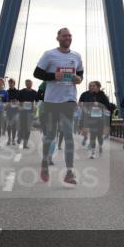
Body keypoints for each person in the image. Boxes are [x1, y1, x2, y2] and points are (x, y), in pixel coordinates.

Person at [34, 28, 84, 185]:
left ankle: (69, 172)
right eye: (65, 35)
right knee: (50, 135)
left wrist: (78, 79)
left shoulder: (76, 56)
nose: (68, 37)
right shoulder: (49, 54)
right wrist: (54, 76)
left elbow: (80, 75)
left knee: (68, 135)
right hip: (51, 101)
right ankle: (44, 162)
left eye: (70, 35)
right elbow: (37, 73)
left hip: (69, 100)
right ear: (58, 38)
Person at [79, 81, 114, 159]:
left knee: (99, 136)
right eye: (92, 86)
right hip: (92, 118)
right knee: (93, 135)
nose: (93, 87)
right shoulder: (91, 95)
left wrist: (99, 105)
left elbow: (108, 106)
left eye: (94, 86)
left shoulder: (102, 96)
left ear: (98, 87)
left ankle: (100, 145)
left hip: (100, 119)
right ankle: (93, 153)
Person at [16, 79, 38, 148]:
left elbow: (37, 102)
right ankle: (19, 137)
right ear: (25, 84)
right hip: (22, 112)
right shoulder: (21, 92)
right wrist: (19, 107)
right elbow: (17, 102)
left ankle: (25, 143)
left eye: (30, 83)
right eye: (27, 83)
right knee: (22, 127)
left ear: (32, 84)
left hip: (30, 113)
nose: (29, 85)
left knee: (28, 129)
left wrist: (35, 107)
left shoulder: (35, 92)